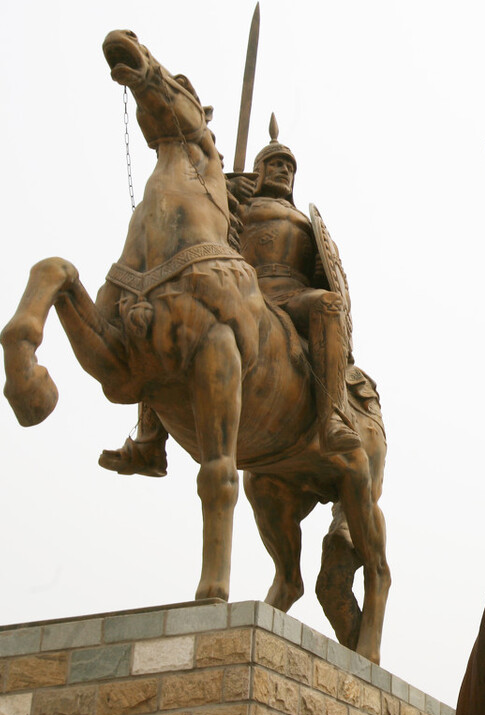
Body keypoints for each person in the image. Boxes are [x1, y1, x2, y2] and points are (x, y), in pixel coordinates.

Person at [100, 125, 359, 476]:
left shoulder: (304, 219)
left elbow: (323, 273)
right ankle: (150, 441)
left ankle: (332, 417)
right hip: (245, 288)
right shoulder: (236, 201)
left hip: (293, 294)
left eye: (289, 167)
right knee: (169, 316)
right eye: (276, 164)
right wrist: (227, 194)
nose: (284, 170)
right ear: (259, 170)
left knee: (328, 305)